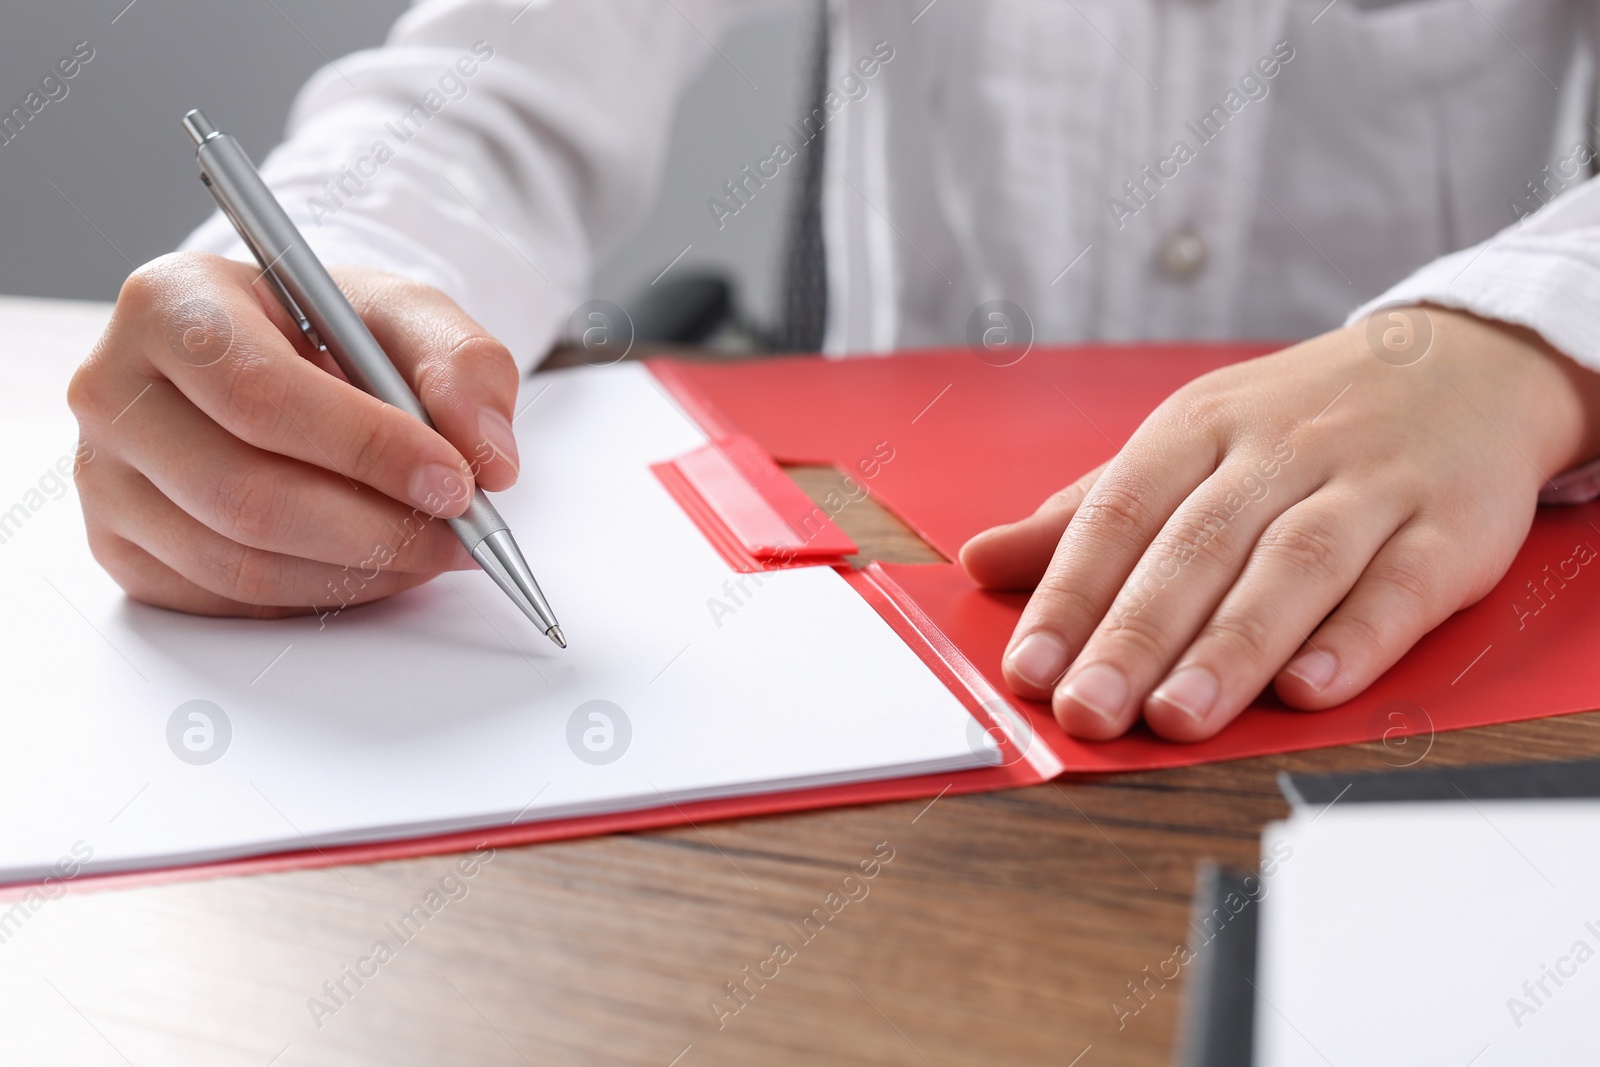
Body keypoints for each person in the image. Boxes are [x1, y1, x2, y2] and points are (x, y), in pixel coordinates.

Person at [66, 0, 1600, 744]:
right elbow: (490, 87)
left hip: (1485, 570)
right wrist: (332, 267)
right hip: (901, 622)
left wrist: (1514, 339)